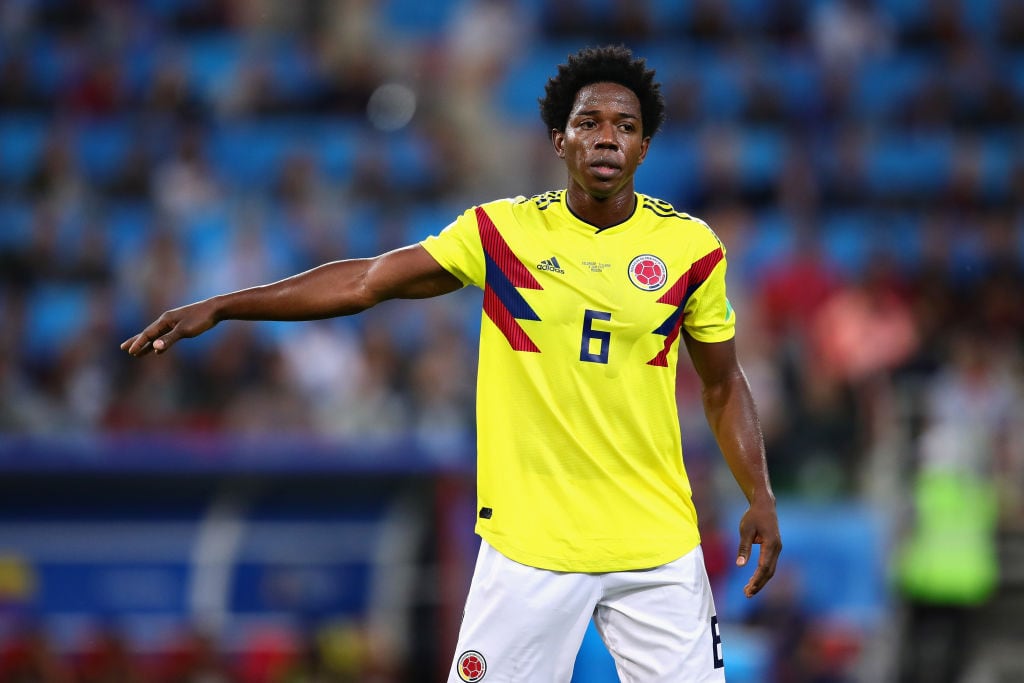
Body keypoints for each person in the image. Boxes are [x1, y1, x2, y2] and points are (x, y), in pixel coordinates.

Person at [122, 45, 782, 683]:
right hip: (532, 545)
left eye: (626, 126)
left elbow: (723, 383)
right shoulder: (502, 234)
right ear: (558, 139)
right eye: (589, 122)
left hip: (657, 542)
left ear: (644, 145)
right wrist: (230, 305)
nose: (607, 137)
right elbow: (367, 280)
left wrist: (758, 491)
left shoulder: (691, 249)